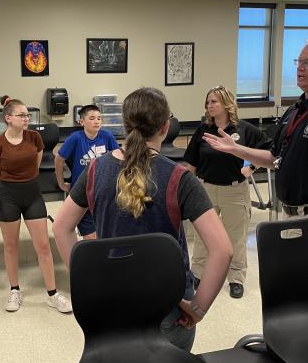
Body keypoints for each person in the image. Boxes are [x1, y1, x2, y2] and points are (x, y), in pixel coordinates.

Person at [53, 87, 232, 351]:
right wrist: (198, 309)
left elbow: (61, 228)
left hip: (112, 300)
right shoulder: (180, 178)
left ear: (125, 125)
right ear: (165, 127)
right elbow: (223, 250)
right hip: (169, 307)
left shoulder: (95, 170)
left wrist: (88, 283)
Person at [202, 37, 308, 316]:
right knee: (295, 294)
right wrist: (236, 149)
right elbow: (275, 158)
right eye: (299, 61)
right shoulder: (296, 111)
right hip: (291, 216)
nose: (300, 68)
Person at [183, 85, 270, 299]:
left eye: (214, 101)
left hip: (235, 191)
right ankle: (198, 274)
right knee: (203, 236)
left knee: (236, 237)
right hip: (205, 189)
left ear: (226, 103)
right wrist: (186, 189)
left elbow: (269, 151)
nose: (209, 105)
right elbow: (191, 163)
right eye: (208, 102)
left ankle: (236, 278)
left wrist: (251, 167)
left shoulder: (245, 130)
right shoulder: (203, 131)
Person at [0, 95, 72, 313]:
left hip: (32, 194)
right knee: (11, 246)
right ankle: (14, 290)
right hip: (8, 196)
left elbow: (35, 164)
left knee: (43, 246)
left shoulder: (35, 138)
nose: (27, 118)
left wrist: (24, 180)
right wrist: (11, 184)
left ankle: (52, 294)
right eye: (22, 115)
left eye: (28, 115)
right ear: (8, 118)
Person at [55, 104, 120, 240]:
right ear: (82, 121)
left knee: (106, 233)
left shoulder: (107, 136)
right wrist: (61, 183)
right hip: (82, 191)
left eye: (99, 118)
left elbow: (118, 158)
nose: (97, 121)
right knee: (91, 238)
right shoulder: (76, 138)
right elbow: (59, 159)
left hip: (102, 189)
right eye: (92, 118)